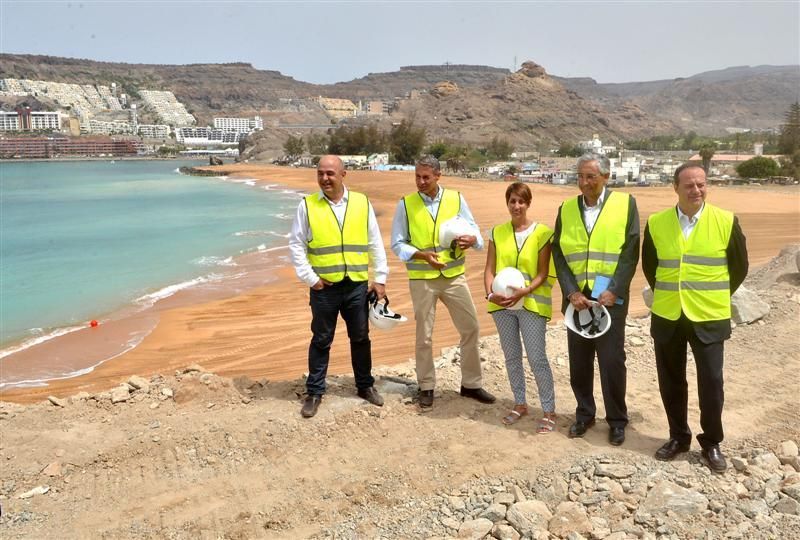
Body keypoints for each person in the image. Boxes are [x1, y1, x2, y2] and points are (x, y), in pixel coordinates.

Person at [643, 163, 748, 472]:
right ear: (675, 188)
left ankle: (712, 442)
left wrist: (712, 296)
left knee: (712, 382)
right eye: (689, 185)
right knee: (671, 381)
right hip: (668, 315)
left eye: (701, 184)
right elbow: (651, 267)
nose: (696, 190)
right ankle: (678, 437)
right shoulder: (657, 223)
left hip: (709, 315)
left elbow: (738, 269)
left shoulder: (726, 221)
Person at [391, 155, 496, 408]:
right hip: (422, 279)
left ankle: (471, 384)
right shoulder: (405, 205)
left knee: (470, 328)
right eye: (417, 176)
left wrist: (472, 240)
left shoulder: (456, 199)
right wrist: (421, 255)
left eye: (426, 177)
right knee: (424, 336)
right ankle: (426, 385)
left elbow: (477, 236)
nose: (421, 181)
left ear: (438, 175)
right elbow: (397, 243)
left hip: (454, 276)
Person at [288, 155, 388, 418]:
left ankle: (365, 386)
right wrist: (311, 279)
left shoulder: (361, 203)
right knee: (321, 340)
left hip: (356, 285)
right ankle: (315, 392)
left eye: (330, 173)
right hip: (324, 288)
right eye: (320, 173)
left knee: (361, 338)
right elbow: (296, 245)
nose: (324, 178)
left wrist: (380, 278)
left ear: (344, 175)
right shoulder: (307, 206)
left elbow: (374, 241)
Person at [552, 153, 640, 446]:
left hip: (608, 297)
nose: (585, 182)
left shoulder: (625, 204)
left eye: (591, 176)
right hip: (577, 297)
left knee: (612, 360)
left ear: (606, 176)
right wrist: (570, 291)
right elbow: (560, 255)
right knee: (579, 360)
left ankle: (616, 420)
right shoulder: (566, 209)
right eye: (580, 176)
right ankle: (584, 414)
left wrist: (615, 289)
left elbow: (630, 252)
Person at [483, 182, 557, 432]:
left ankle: (548, 410)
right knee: (512, 357)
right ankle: (520, 403)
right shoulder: (497, 233)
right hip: (502, 306)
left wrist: (526, 291)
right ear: (507, 203)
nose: (516, 206)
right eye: (512, 201)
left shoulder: (542, 233)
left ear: (528, 203)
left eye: (521, 201)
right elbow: (489, 269)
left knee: (537, 358)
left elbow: (543, 272)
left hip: (531, 305)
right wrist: (490, 294)